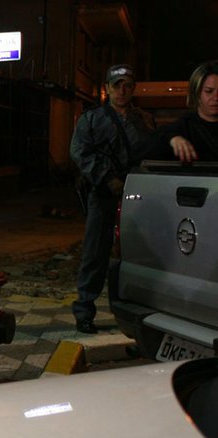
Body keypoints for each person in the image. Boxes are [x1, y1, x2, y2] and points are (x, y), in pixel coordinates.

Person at [70, 64, 155, 334]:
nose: (122, 90)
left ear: (134, 89)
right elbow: (79, 152)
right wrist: (107, 178)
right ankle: (85, 310)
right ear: (107, 88)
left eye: (127, 85)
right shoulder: (92, 119)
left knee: (139, 253)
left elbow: (152, 152)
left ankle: (137, 309)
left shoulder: (143, 120)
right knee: (95, 253)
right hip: (103, 194)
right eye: (117, 85)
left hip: (137, 196)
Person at [147, 60, 218, 162]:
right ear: (197, 93)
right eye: (209, 91)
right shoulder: (183, 127)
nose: (216, 98)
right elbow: (138, 157)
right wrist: (171, 139)